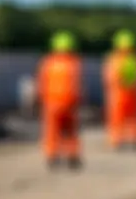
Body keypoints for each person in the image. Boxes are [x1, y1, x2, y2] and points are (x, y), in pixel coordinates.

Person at [38, 31, 83, 170]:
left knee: (52, 131)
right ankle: (72, 156)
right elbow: (77, 85)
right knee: (70, 132)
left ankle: (52, 156)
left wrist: (40, 100)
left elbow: (41, 84)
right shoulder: (74, 63)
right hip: (69, 103)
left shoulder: (48, 63)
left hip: (51, 103)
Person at [103, 29, 136, 151]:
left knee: (117, 119)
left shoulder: (114, 59)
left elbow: (110, 77)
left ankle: (117, 140)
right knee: (134, 119)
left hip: (118, 93)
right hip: (134, 92)